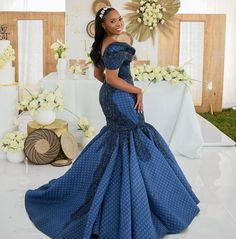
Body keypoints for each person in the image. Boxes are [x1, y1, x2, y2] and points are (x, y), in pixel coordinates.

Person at [25, 7, 200, 239]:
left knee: (119, 138)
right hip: (121, 98)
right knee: (133, 137)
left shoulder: (101, 44)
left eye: (119, 19)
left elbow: (100, 76)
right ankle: (140, 196)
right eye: (112, 21)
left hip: (110, 97)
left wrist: (114, 90)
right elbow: (110, 77)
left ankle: (116, 187)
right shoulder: (116, 46)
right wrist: (137, 90)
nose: (118, 24)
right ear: (104, 25)